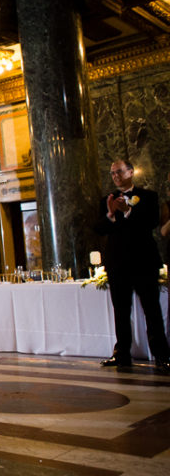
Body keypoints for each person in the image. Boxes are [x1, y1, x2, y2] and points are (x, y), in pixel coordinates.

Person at [95, 159, 170, 373]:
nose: (116, 176)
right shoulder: (107, 200)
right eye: (112, 173)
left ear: (130, 172)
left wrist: (128, 210)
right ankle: (122, 354)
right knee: (120, 310)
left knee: (152, 309)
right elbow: (99, 229)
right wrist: (110, 214)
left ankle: (162, 355)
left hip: (143, 261)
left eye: (119, 172)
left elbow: (151, 223)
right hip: (117, 263)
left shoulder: (148, 196)